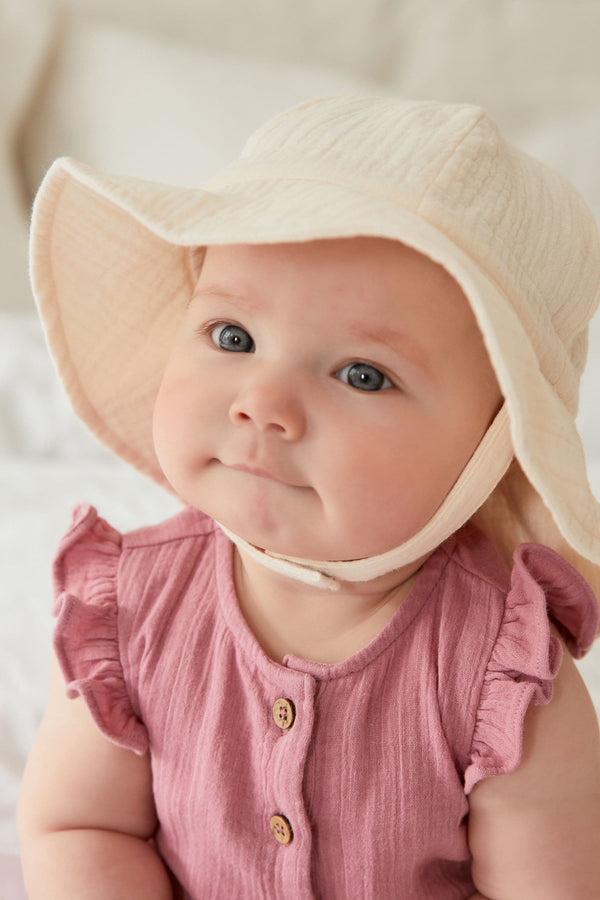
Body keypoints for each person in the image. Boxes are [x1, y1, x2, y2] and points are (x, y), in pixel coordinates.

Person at [17, 96, 600, 899]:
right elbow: (82, 826)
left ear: (494, 443)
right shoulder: (127, 614)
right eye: (233, 337)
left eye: (363, 374)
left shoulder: (503, 674)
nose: (262, 402)